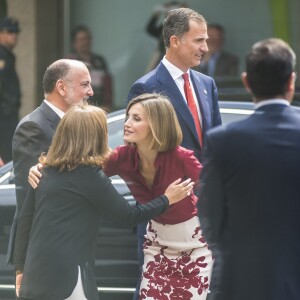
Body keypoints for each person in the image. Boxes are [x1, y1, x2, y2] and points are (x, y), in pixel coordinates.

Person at [29, 93, 213, 299]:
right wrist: (42, 167)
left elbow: (215, 192)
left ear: (157, 124)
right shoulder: (120, 157)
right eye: (128, 117)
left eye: (136, 118)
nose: (127, 123)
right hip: (156, 243)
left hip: (194, 244)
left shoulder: (182, 157)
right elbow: (77, 170)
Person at [127, 8, 222, 297]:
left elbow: (213, 150)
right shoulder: (147, 87)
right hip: (164, 216)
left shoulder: (207, 85)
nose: (205, 47)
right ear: (175, 41)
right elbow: (136, 157)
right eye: (198, 40)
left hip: (202, 217)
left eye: (205, 40)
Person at [197, 38, 299, 300]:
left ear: (246, 81)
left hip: (241, 280)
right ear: (291, 81)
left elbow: (210, 215)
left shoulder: (222, 140)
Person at [6, 58, 94, 265]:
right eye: (84, 85)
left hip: (74, 244)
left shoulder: (80, 124)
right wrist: (24, 264)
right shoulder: (33, 127)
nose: (90, 92)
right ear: (61, 87)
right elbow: (29, 199)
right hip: (46, 251)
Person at [67, 25, 113, 111]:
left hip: (100, 108)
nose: (85, 42)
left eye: (87, 38)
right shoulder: (70, 62)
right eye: (81, 39)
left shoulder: (100, 61)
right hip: (78, 109)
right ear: (74, 43)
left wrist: (107, 105)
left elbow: (108, 84)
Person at [0, 16, 21, 163]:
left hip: (8, 114)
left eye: (16, 32)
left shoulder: (7, 55)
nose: (14, 35)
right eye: (9, 32)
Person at [145, 1, 186, 71]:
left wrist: (184, 12)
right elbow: (150, 30)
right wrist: (156, 15)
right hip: (161, 55)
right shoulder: (164, 26)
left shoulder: (183, 26)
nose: (167, 13)